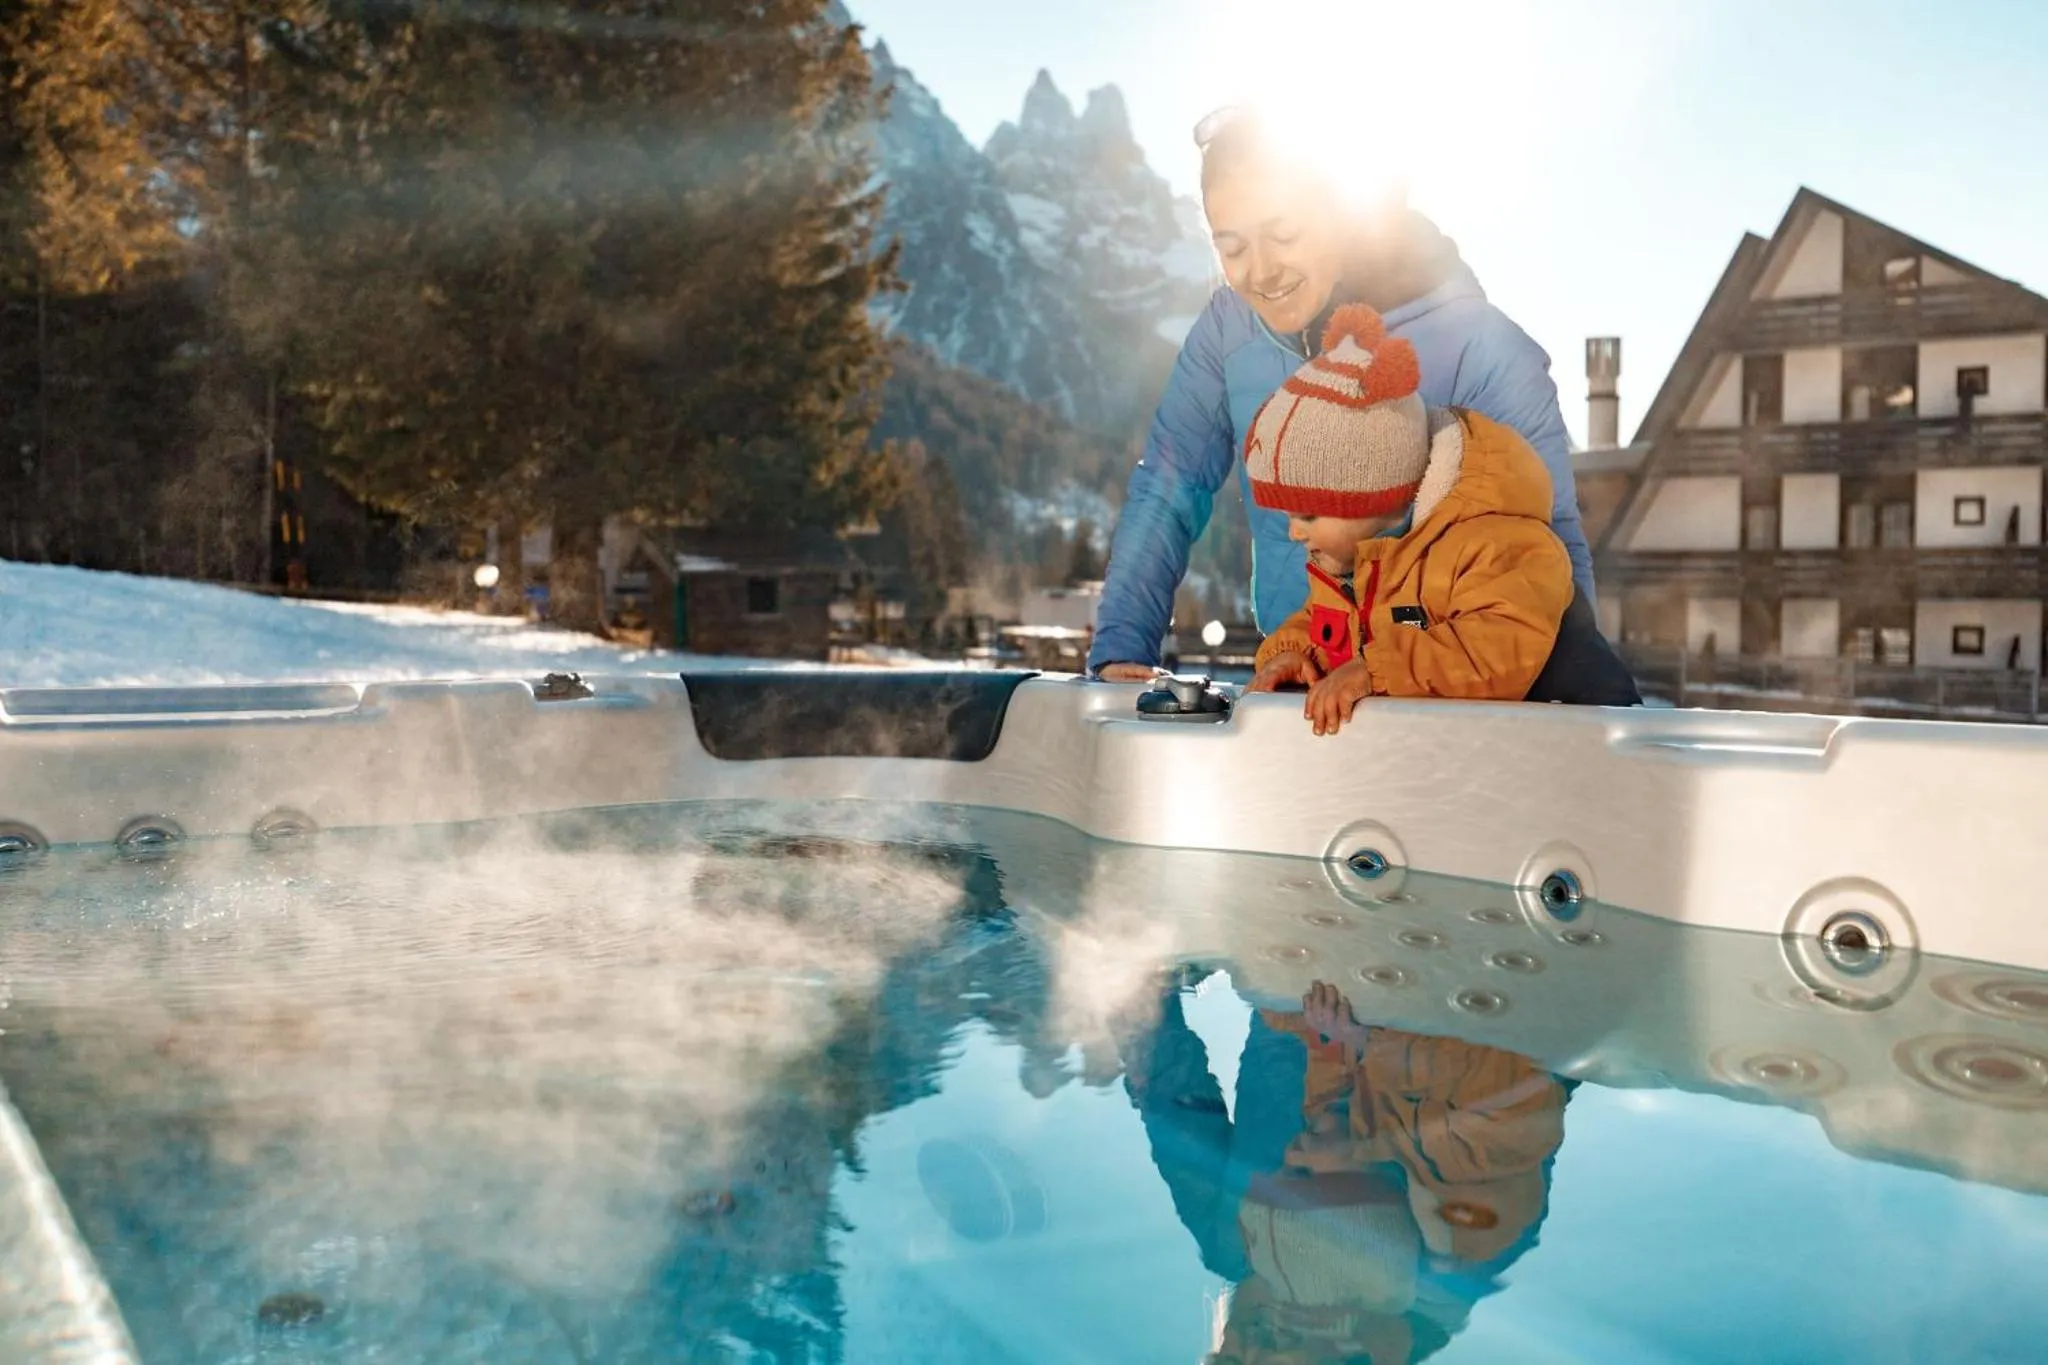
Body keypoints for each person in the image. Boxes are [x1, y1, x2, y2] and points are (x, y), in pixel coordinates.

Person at [1089, 109, 1592, 681]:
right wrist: (1122, 650)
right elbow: (1169, 485)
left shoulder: (1477, 343)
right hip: (1300, 678)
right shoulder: (1229, 330)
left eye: (1283, 234)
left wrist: (1573, 704)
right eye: (1231, 248)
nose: (1261, 271)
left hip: (1445, 700)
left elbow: (1548, 543)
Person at [1240, 304, 1638, 734]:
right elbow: (1325, 624)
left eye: (1308, 514)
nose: (1294, 532)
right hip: (1475, 756)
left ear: (1373, 496)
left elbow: (1495, 652)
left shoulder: (1498, 542)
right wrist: (1292, 654)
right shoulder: (1359, 564)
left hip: (1580, 743)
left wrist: (1376, 671)